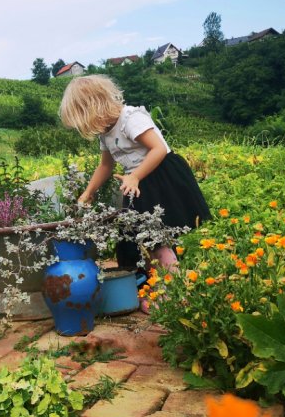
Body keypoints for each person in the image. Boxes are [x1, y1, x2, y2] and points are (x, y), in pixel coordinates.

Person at [59, 75, 211, 304]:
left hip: (161, 176)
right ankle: (161, 288)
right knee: (147, 239)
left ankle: (176, 296)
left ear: (95, 107)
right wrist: (88, 192)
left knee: (158, 238)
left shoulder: (131, 118)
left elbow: (158, 149)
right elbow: (106, 165)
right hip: (138, 183)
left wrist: (135, 176)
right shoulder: (106, 131)